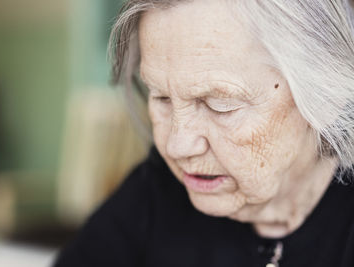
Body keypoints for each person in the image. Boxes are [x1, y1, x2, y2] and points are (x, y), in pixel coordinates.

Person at [54, 0, 354, 266]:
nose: (176, 145)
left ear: (327, 96)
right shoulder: (155, 192)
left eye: (220, 105)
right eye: (161, 97)